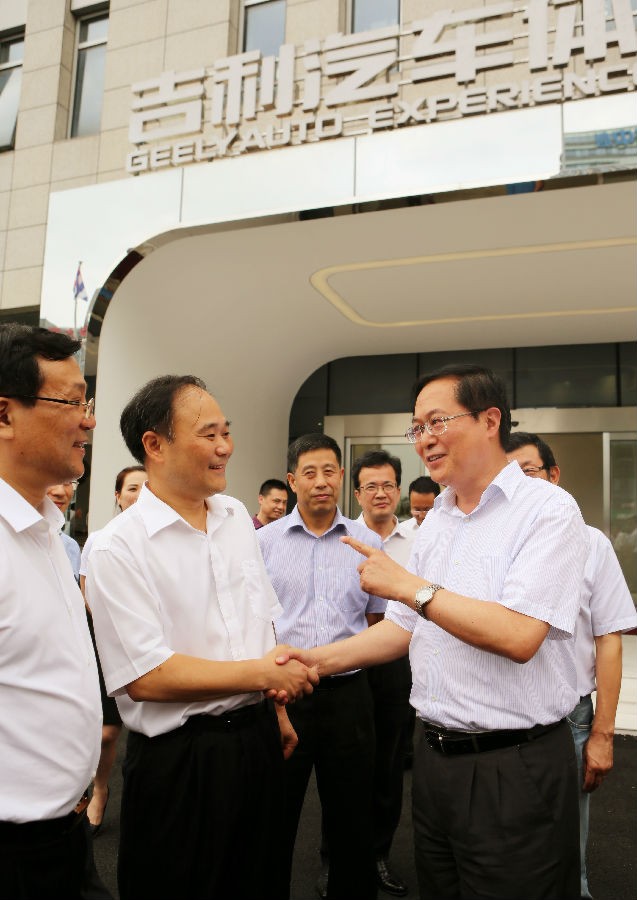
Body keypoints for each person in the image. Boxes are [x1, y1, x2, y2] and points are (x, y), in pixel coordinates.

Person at [278, 364, 588, 900]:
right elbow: (401, 629)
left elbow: (519, 635)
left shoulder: (548, 510)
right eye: (417, 427)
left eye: (437, 422)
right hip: (434, 758)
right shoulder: (438, 519)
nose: (424, 439)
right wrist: (311, 661)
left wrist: (408, 586)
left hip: (513, 764)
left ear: (490, 420)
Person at [86, 374, 317, 900]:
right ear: (154, 445)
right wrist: (261, 675)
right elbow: (146, 676)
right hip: (180, 760)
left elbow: (260, 617)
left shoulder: (234, 517)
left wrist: (276, 708)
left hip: (258, 740)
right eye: (209, 434)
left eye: (226, 432)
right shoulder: (116, 547)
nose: (225, 447)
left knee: (262, 880)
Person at [506, 430, 637, 900]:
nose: (519, 484)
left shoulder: (591, 543)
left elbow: (609, 638)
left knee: (566, 847)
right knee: (503, 843)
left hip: (569, 718)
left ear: (553, 475)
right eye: (508, 476)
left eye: (528, 471)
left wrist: (603, 733)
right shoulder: (489, 543)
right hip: (502, 715)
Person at [258, 433, 385, 900]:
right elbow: (256, 621)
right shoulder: (264, 542)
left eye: (329, 471)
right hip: (282, 696)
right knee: (274, 815)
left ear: (341, 477)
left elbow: (376, 622)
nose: (321, 481)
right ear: (292, 481)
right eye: (309, 473)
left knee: (352, 817)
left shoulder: (367, 542)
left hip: (349, 696)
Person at [0, 324, 102, 900]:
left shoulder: (47, 530)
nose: (89, 421)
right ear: (5, 414)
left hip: (65, 836)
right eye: (72, 403)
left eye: (88, 402)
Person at [353, 449, 416, 896]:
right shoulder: (342, 537)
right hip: (351, 663)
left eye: (388, 485)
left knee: (389, 764)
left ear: (399, 490)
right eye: (370, 486)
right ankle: (336, 858)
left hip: (397, 665)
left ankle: (378, 854)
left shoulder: (419, 540)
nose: (380, 493)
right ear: (357, 493)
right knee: (344, 766)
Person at [79, 465, 147, 836]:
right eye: (132, 488)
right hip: (108, 642)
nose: (140, 494)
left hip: (152, 645)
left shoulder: (161, 538)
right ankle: (97, 789)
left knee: (149, 729)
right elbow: (88, 593)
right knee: (106, 731)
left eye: (147, 487)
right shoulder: (100, 539)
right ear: (118, 496)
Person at [47, 480, 81, 577]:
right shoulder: (11, 541)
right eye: (51, 479)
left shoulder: (71, 547)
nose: (60, 492)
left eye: (68, 481)